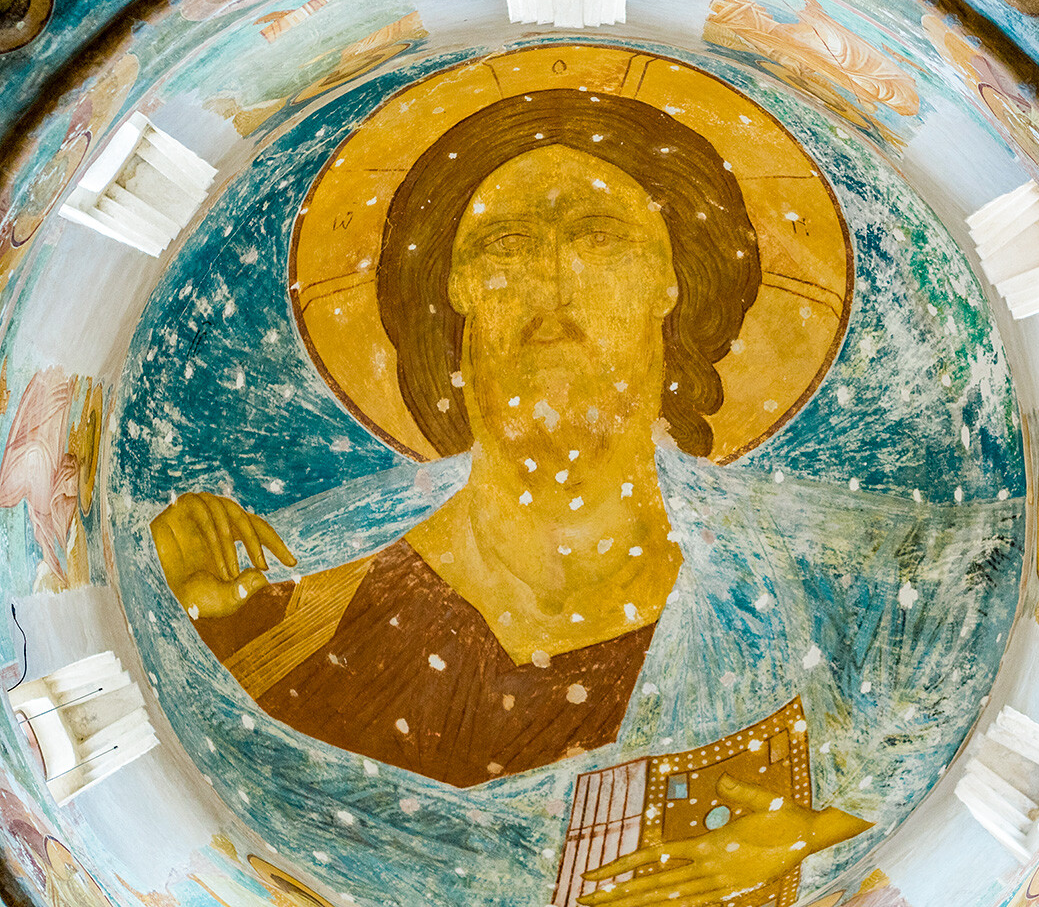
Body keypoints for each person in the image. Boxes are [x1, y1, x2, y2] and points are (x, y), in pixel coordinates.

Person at [151, 90, 870, 903]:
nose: (551, 279)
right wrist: (196, 623)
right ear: (455, 287)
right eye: (507, 245)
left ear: (672, 280)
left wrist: (819, 836)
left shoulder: (812, 580)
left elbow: (924, 719)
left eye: (600, 239)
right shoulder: (301, 614)